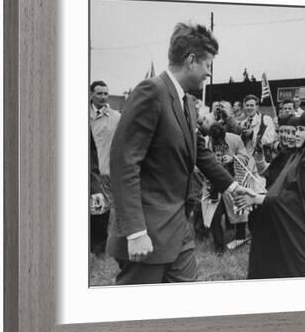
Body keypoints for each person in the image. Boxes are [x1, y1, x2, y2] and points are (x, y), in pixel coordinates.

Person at [107, 22, 253, 284]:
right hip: (148, 232)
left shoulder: (187, 102)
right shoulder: (151, 91)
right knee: (138, 318)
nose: (209, 73)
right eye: (208, 65)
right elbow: (124, 162)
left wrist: (232, 187)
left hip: (178, 228)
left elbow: (198, 151)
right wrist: (135, 231)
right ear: (191, 60)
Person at [235, 112, 305, 279]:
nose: (296, 134)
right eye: (296, 130)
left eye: (301, 129)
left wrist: (256, 199)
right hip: (293, 226)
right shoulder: (299, 155)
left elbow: (295, 200)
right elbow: (280, 189)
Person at [201, 123, 251, 255]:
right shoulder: (204, 142)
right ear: (210, 138)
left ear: (225, 136)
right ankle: (219, 247)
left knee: (239, 209)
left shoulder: (235, 139)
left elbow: (246, 158)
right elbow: (197, 164)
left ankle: (240, 238)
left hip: (232, 181)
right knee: (214, 215)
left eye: (220, 141)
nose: (218, 144)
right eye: (214, 141)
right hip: (213, 185)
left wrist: (233, 158)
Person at [89, 80, 121, 255]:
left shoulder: (116, 117)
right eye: (99, 93)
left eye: (105, 94)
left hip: (104, 173)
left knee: (100, 211)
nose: (102, 97)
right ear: (91, 94)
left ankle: (99, 249)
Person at [240, 94, 276, 159]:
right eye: (247, 105)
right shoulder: (243, 123)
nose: (249, 108)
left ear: (257, 107)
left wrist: (252, 135)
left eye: (251, 105)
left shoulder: (266, 119)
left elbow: (270, 139)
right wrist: (243, 136)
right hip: (247, 159)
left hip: (262, 157)